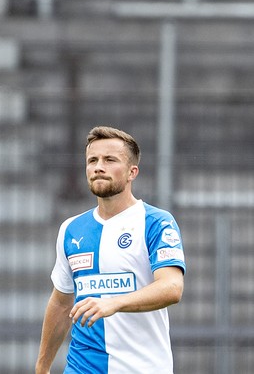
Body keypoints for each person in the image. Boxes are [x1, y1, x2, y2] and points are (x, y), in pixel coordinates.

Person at [36, 126, 186, 374]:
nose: (98, 167)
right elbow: (61, 303)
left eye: (110, 160)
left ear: (132, 172)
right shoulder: (71, 229)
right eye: (92, 160)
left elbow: (171, 288)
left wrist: (114, 303)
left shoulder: (156, 222)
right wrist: (42, 368)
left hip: (143, 367)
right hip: (82, 366)